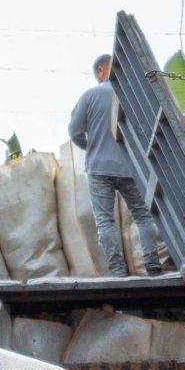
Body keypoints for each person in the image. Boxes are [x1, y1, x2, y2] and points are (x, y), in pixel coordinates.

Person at [67, 53, 171, 276]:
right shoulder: (132, 96)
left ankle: (117, 269)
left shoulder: (89, 96)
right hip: (130, 167)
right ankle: (152, 263)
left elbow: (74, 132)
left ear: (101, 71)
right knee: (143, 215)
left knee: (105, 220)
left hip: (98, 168)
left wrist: (91, 146)